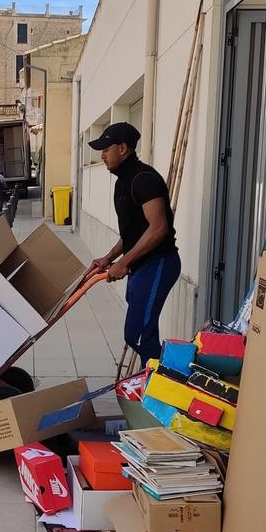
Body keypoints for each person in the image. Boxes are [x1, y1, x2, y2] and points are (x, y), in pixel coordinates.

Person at [87, 122, 181, 364]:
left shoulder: (144, 179)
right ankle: (149, 383)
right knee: (141, 334)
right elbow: (134, 231)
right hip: (141, 265)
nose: (102, 155)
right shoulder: (123, 181)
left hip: (158, 263)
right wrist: (109, 258)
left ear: (122, 148)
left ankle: (165, 385)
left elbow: (159, 228)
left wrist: (124, 262)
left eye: (106, 149)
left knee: (138, 335)